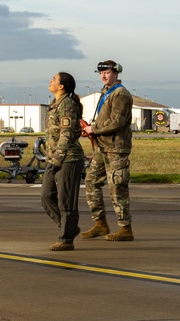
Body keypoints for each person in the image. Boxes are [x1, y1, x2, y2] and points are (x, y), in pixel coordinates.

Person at [81, 60, 134, 241]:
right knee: (91, 182)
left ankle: (125, 228)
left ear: (116, 73)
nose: (103, 75)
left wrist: (93, 129)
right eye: (101, 73)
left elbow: (116, 122)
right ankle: (100, 223)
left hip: (115, 149)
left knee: (117, 187)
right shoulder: (107, 93)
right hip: (102, 147)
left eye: (107, 72)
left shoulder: (120, 95)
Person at [41, 72, 84, 251]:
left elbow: (66, 135)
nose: (50, 80)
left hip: (69, 159)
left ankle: (66, 239)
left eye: (54, 79)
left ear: (62, 86)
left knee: (66, 201)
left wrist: (57, 159)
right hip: (55, 159)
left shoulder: (66, 104)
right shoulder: (55, 104)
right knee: (46, 196)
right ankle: (69, 228)